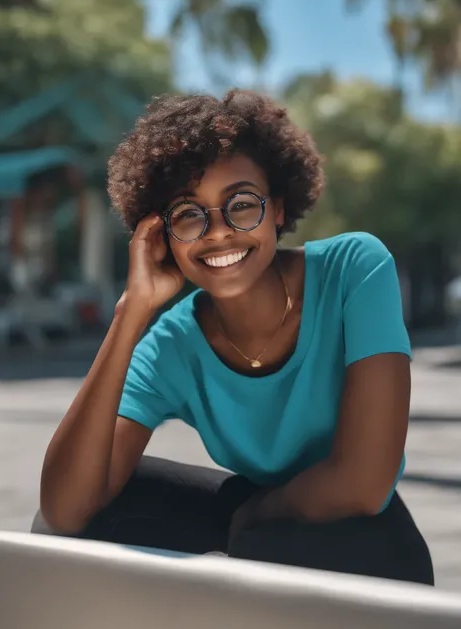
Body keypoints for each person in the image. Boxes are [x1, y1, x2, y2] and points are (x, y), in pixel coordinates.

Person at [34, 90, 434, 586]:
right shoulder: (173, 342)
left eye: (241, 205)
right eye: (188, 214)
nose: (218, 232)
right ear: (162, 238)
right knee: (93, 506)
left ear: (279, 210)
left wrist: (255, 513)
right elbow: (64, 510)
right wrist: (130, 312)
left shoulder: (354, 269)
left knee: (260, 545)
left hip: (370, 549)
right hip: (255, 525)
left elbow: (365, 482)